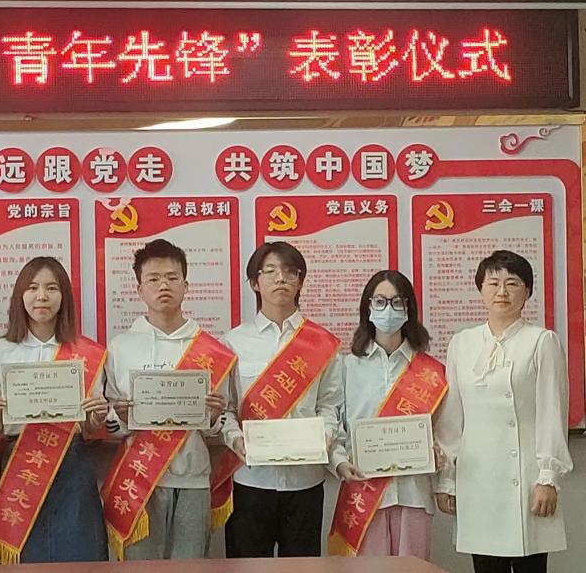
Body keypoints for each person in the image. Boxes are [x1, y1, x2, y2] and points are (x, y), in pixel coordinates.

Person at [435, 250, 572, 573]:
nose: (502, 292)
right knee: (485, 565)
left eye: (512, 284)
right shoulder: (462, 343)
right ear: (480, 289)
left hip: (526, 479)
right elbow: (452, 419)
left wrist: (548, 478)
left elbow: (552, 413)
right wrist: (447, 480)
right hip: (477, 479)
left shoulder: (541, 341)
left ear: (527, 292)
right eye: (493, 283)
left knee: (529, 565)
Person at [101, 239, 236, 560]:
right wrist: (119, 416)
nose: (163, 285)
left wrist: (213, 416)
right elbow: (109, 419)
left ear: (186, 286)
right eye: (153, 279)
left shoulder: (212, 350)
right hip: (138, 477)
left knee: (190, 564)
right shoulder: (120, 347)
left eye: (172, 278)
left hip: (193, 476)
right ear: (140, 289)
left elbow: (219, 423)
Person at [0, 256, 109, 564]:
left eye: (51, 288)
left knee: (79, 556)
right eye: (32, 288)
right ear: (20, 296)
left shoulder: (88, 353)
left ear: (64, 296)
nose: (42, 296)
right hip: (20, 465)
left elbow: (90, 425)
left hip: (72, 465)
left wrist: (97, 416)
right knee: (25, 557)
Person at [217, 241, 343, 558]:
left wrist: (327, 435)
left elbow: (330, 405)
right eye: (270, 271)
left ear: (300, 281)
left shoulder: (322, 342)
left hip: (306, 482)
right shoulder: (233, 342)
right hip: (250, 480)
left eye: (289, 271)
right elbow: (225, 410)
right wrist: (235, 439)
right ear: (254, 283)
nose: (280, 278)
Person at [326, 270, 445, 559]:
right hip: (362, 491)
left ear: (409, 308)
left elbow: (445, 431)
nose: (388, 309)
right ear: (367, 308)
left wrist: (439, 454)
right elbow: (333, 423)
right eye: (379, 301)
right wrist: (339, 463)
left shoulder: (432, 371)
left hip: (414, 493)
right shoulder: (347, 367)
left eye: (397, 302)